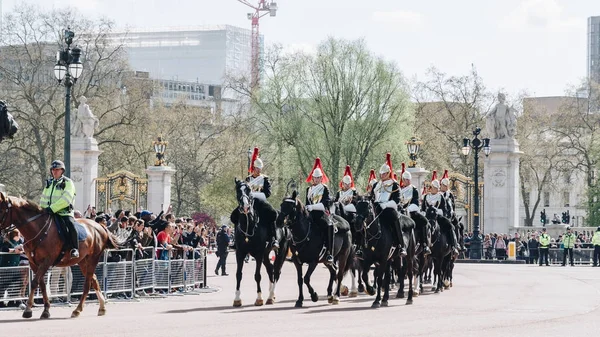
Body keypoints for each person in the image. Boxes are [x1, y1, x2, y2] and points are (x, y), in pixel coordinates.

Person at [40, 160, 79, 258]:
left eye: (57, 169)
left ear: (62, 170)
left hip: (64, 213)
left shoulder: (68, 182)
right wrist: (42, 209)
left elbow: (65, 200)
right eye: (53, 170)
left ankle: (74, 248)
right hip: (49, 212)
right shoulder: (49, 183)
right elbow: (43, 198)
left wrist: (52, 208)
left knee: (70, 225)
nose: (54, 172)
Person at [370, 153, 407, 256]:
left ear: (388, 173)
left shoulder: (394, 184)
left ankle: (401, 245)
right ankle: (359, 245)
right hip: (376, 208)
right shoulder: (376, 185)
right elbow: (371, 197)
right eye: (381, 174)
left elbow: (396, 201)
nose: (382, 176)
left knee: (395, 219)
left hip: (387, 209)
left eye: (384, 174)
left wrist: (385, 205)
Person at [244, 147, 279, 251]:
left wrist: (255, 195)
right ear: (253, 168)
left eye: (260, 169)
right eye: (256, 168)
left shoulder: (265, 179)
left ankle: (274, 238)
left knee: (272, 214)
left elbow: (268, 193)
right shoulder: (248, 179)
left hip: (261, 203)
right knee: (237, 213)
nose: (258, 171)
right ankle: (238, 241)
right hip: (250, 203)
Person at [305, 158, 334, 264]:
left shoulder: (324, 188)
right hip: (310, 214)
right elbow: (307, 202)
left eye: (318, 178)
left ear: (321, 178)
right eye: (315, 178)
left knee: (329, 226)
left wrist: (312, 207)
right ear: (312, 178)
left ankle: (329, 252)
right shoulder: (308, 190)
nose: (316, 179)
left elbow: (325, 204)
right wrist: (307, 208)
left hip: (320, 214)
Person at [421, 171, 456, 255]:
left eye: (434, 187)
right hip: (428, 216)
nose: (432, 189)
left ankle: (454, 246)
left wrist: (438, 212)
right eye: (432, 187)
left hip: (438, 216)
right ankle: (423, 244)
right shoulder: (426, 196)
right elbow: (423, 208)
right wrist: (424, 213)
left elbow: (444, 209)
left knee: (449, 226)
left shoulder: (440, 196)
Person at [399, 163, 430, 255]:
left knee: (424, 222)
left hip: (411, 211)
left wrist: (408, 209)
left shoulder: (414, 189)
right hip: (401, 212)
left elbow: (415, 203)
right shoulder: (399, 190)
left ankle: (425, 245)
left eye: (408, 180)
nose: (406, 181)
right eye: (405, 180)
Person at [334, 165, 359, 255]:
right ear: (342, 183)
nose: (347, 185)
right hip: (340, 214)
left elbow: (355, 205)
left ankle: (356, 244)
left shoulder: (354, 192)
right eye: (345, 184)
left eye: (349, 184)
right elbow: (336, 202)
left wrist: (344, 207)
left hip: (350, 214)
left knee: (356, 226)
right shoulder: (339, 193)